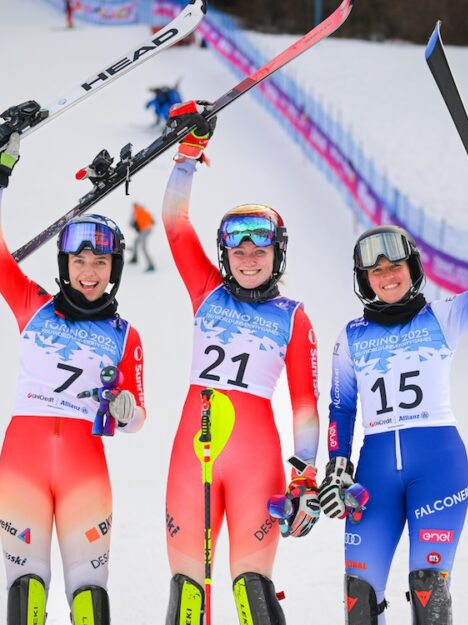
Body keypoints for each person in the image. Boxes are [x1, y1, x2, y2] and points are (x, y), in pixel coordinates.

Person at [317, 159, 468, 625]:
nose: (387, 276)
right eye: (375, 271)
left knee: (429, 594)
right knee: (358, 598)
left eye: (395, 265)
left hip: (438, 467)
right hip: (374, 475)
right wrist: (338, 467)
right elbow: (342, 408)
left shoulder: (443, 318)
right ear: (364, 281)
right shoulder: (351, 336)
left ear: (412, 268)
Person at [159, 101, 322, 625]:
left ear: (277, 255)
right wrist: (188, 154)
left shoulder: (293, 317)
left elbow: (304, 406)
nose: (249, 259)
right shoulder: (206, 291)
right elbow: (173, 221)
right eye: (239, 250)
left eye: (261, 250)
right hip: (192, 458)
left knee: (253, 590)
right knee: (188, 594)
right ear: (224, 256)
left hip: (257, 464)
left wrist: (303, 477)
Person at [0, 132, 147, 625]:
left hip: (84, 468)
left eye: (100, 262)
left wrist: (126, 411)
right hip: (23, 464)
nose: (88, 272)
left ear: (113, 269)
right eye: (79, 261)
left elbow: (137, 418)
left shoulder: (125, 335)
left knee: (89, 593)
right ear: (64, 265)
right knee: (26, 588)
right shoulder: (33, 307)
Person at [128, 201, 156, 272]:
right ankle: (135, 258)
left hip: (144, 230)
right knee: (136, 241)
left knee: (143, 247)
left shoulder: (136, 212)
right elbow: (153, 221)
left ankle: (151, 265)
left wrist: (137, 226)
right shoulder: (144, 211)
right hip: (148, 229)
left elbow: (131, 223)